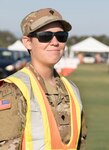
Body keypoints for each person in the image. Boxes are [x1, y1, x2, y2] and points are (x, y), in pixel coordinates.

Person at [0, 8, 87, 150]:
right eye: (45, 36)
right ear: (28, 42)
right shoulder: (14, 89)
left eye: (61, 36)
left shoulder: (72, 89)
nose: (55, 42)